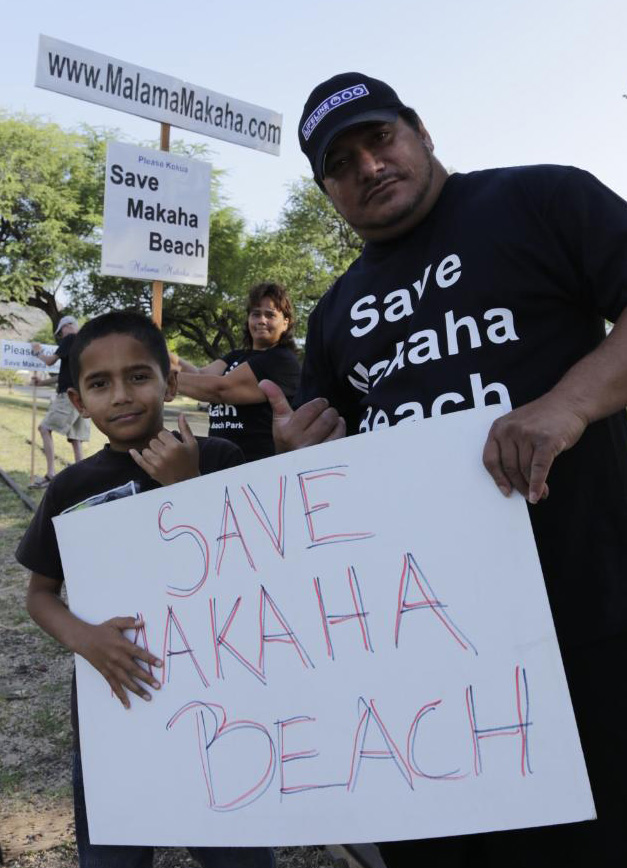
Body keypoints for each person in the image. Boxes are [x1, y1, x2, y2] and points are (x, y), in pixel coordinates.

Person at [258, 73, 627, 867]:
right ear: (327, 188)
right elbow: (330, 474)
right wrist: (300, 459)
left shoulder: (542, 200)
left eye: (379, 139)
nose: (368, 166)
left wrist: (568, 403)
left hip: (591, 616)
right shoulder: (332, 315)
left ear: (419, 132)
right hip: (427, 667)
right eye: (341, 162)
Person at [16, 311, 274, 868]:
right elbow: (39, 594)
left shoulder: (217, 460)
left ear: (171, 383)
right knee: (115, 855)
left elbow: (252, 570)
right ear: (79, 402)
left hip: (220, 698)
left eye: (138, 376)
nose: (122, 395)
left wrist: (185, 488)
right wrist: (85, 639)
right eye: (99, 384)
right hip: (118, 705)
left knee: (238, 851)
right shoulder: (69, 487)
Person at [173, 282, 300, 462]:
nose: (261, 320)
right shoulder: (236, 356)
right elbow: (200, 376)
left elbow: (221, 389)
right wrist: (166, 358)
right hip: (221, 462)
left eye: (270, 315)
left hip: (255, 465)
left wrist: (161, 379)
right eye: (256, 314)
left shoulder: (281, 360)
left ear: (285, 323)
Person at [30, 314, 91, 488]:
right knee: (75, 438)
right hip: (83, 397)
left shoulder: (71, 337)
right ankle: (83, 480)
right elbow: (65, 375)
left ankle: (50, 474)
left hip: (68, 397)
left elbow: (49, 362)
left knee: (44, 428)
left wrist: (38, 352)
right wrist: (41, 383)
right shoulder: (84, 344)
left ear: (67, 327)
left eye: (60, 332)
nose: (61, 336)